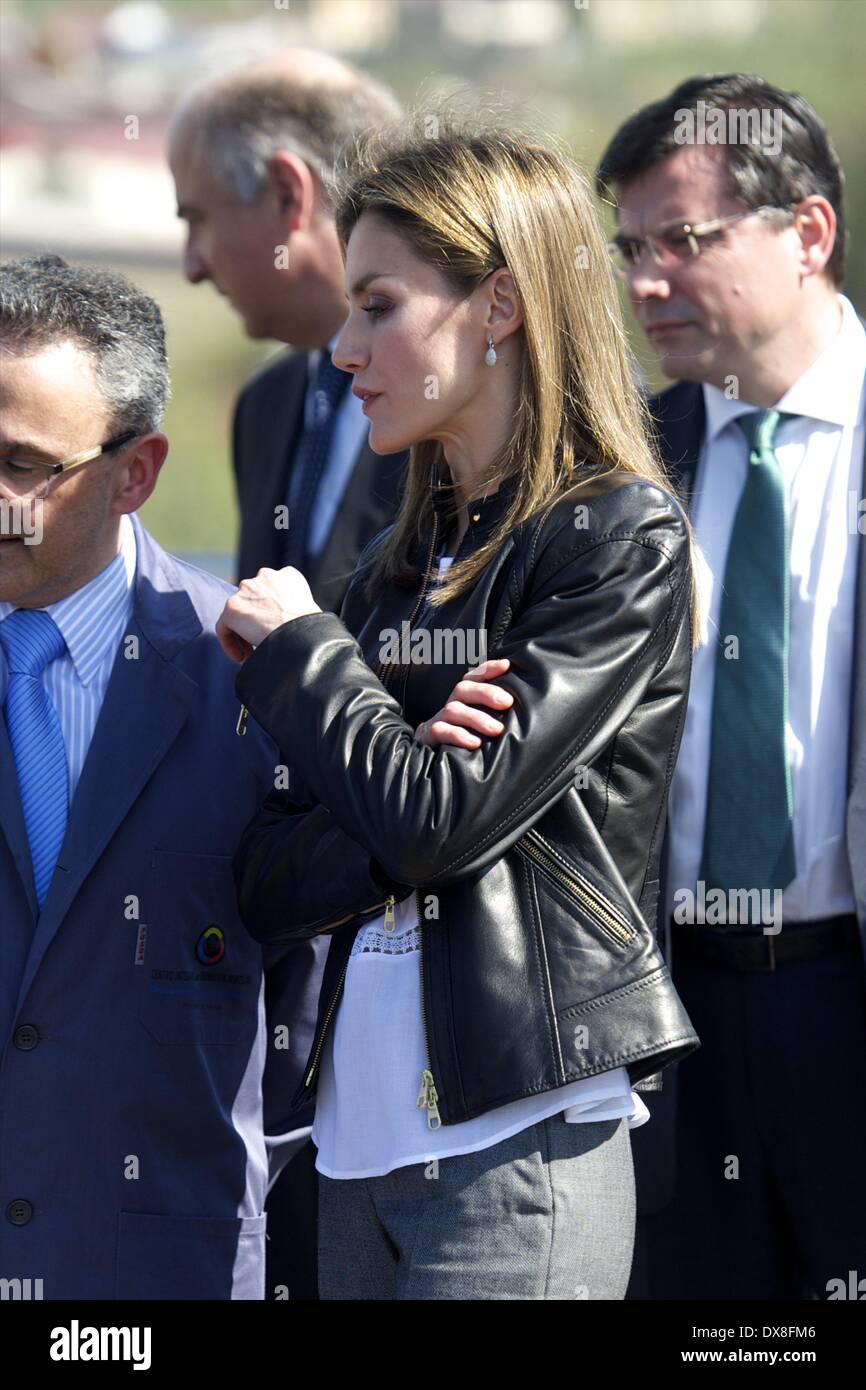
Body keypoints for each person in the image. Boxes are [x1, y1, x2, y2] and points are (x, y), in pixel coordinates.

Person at [216, 108, 701, 1301]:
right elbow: (269, 878)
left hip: (514, 1145)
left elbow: (431, 822)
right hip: (350, 1152)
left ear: (499, 305)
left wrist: (309, 663)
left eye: (378, 305)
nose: (340, 349)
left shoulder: (613, 537)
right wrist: (400, 768)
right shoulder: (389, 568)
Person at [0, 255, 326, 1299]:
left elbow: (307, 1023)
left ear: (135, 473)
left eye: (21, 464)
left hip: (159, 1275)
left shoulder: (255, 680)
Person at [595, 73, 866, 1299]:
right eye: (629, 249)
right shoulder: (619, 468)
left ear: (805, 233)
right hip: (667, 1021)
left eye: (682, 242)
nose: (644, 282)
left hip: (841, 994)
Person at [168, 50, 407, 613]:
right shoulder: (266, 406)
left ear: (286, 193)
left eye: (197, 219)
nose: (191, 267)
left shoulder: (498, 402)